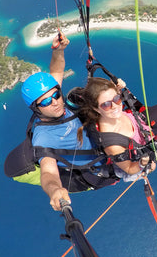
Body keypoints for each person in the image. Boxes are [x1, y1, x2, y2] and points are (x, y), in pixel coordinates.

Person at [19, 34, 117, 210]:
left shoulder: (56, 103)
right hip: (103, 164)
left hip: (104, 139)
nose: (55, 101)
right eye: (46, 102)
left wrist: (58, 51)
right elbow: (48, 172)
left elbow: (56, 71)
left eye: (56, 95)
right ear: (36, 108)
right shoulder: (43, 138)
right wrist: (55, 190)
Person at [79, 77, 157, 182]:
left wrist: (119, 88)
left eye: (117, 99)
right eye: (106, 105)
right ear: (96, 109)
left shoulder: (113, 106)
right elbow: (129, 168)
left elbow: (112, 95)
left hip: (141, 122)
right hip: (149, 149)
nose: (114, 106)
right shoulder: (111, 143)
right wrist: (142, 164)